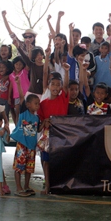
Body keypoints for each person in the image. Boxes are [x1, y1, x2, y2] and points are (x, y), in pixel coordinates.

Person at [37, 62, 70, 194]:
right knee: (46, 161)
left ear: (61, 86)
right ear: (48, 86)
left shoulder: (63, 98)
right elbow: (39, 125)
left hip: (61, 134)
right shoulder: (43, 104)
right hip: (47, 135)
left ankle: (60, 184)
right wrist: (44, 121)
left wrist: (66, 72)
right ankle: (47, 184)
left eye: (58, 84)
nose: (56, 87)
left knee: (60, 160)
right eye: (53, 84)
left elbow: (67, 85)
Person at [10, 76, 40, 197]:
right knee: (19, 167)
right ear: (28, 105)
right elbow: (22, 98)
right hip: (22, 145)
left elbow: (38, 130)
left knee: (29, 168)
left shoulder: (37, 118)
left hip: (31, 147)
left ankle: (27, 186)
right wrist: (18, 84)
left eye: (38, 104)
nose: (38, 105)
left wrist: (45, 124)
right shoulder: (23, 113)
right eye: (36, 103)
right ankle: (18, 188)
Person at [8, 56, 30, 124]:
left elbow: (28, 62)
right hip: (17, 97)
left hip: (26, 95)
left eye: (20, 64)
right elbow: (11, 86)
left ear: (23, 65)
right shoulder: (11, 75)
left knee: (27, 112)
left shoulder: (24, 71)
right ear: (13, 65)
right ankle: (18, 128)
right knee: (18, 113)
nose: (18, 66)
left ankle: (27, 129)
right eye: (16, 64)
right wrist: (9, 97)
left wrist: (28, 47)